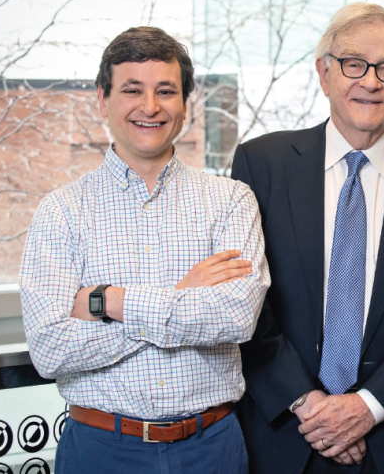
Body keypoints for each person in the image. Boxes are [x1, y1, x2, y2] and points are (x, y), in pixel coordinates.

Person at [231, 2, 384, 474]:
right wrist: (311, 408)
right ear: (324, 73)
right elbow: (246, 302)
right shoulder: (261, 166)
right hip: (287, 433)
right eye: (353, 64)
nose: (370, 81)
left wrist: (367, 407)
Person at [20, 26, 270, 474]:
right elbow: (50, 350)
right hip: (100, 449)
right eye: (132, 90)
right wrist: (182, 294)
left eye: (166, 91)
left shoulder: (232, 199)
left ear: (185, 103)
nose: (150, 107)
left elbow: (234, 318)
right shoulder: (61, 211)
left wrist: (111, 301)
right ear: (103, 99)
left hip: (211, 447)